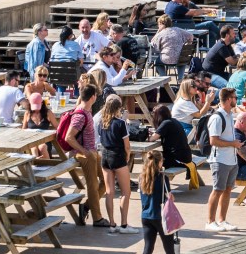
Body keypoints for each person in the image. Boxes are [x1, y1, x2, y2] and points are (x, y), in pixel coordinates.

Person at [62, 84, 111, 227]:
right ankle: (97, 218)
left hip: (92, 152)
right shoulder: (80, 115)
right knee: (93, 184)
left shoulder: (86, 110)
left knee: (106, 180)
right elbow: (69, 138)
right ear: (93, 97)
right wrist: (84, 152)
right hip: (85, 155)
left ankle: (86, 207)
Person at [98, 95, 136, 234]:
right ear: (118, 109)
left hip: (105, 156)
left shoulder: (101, 122)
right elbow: (127, 146)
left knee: (109, 192)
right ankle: (124, 225)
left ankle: (112, 224)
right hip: (118, 157)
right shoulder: (120, 124)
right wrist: (126, 159)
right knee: (126, 192)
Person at [205, 88, 240, 232]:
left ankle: (222, 220)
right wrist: (233, 144)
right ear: (228, 99)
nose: (236, 99)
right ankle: (210, 222)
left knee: (227, 190)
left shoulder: (230, 115)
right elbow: (213, 140)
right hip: (219, 160)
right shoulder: (217, 117)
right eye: (234, 97)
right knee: (217, 190)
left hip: (231, 159)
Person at [139, 150, 178, 254]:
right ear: (159, 162)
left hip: (145, 216)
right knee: (169, 248)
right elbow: (170, 198)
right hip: (161, 217)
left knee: (148, 247)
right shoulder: (163, 178)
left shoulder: (142, 177)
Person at [22, 93, 58, 158]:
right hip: (31, 139)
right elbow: (23, 129)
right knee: (34, 147)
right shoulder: (27, 113)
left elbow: (57, 127)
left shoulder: (48, 113)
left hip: (44, 140)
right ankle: (36, 162)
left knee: (42, 147)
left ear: (42, 103)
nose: (36, 109)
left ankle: (41, 162)